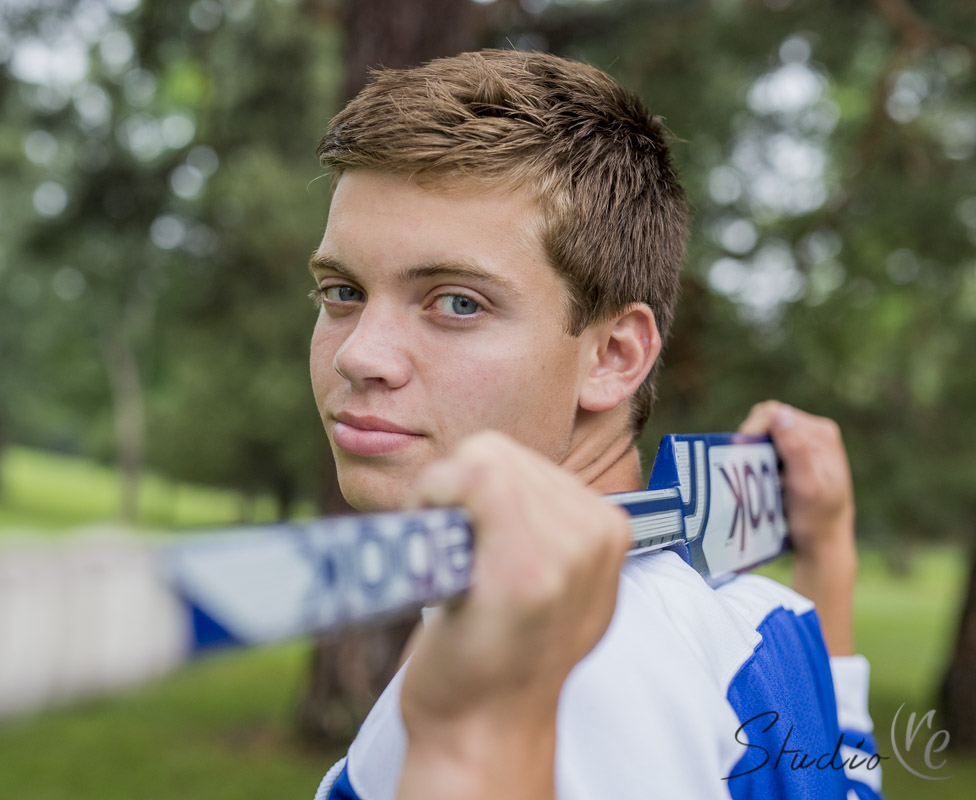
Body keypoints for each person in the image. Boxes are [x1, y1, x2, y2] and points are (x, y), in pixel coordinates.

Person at [306, 50, 884, 800]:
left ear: (613, 355)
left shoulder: (580, 682)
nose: (359, 355)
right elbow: (842, 787)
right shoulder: (757, 612)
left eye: (456, 302)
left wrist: (480, 742)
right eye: (343, 291)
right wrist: (828, 562)